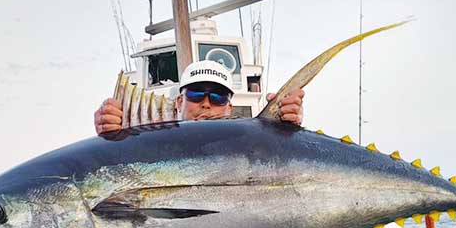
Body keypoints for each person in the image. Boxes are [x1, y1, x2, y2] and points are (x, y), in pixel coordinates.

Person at [94, 60, 305, 133]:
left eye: (218, 97)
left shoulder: (253, 141)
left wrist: (286, 130)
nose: (206, 104)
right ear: (179, 102)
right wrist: (112, 131)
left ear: (229, 108)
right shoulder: (147, 137)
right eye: (195, 94)